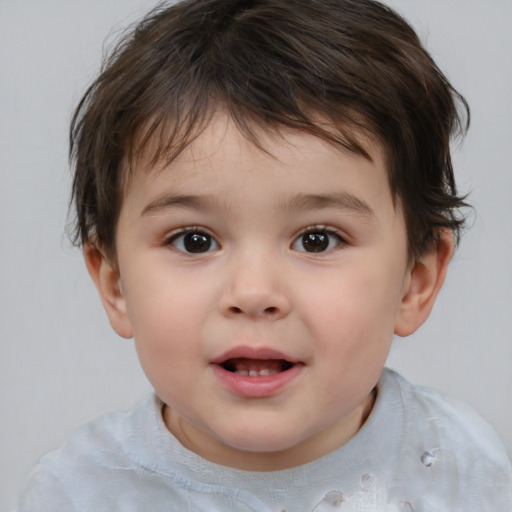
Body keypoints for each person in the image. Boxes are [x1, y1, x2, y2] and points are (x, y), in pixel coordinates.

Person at [15, 0, 512, 510]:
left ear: (416, 281)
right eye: (194, 240)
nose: (253, 294)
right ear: (115, 283)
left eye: (317, 239)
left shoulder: (464, 471)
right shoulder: (77, 495)